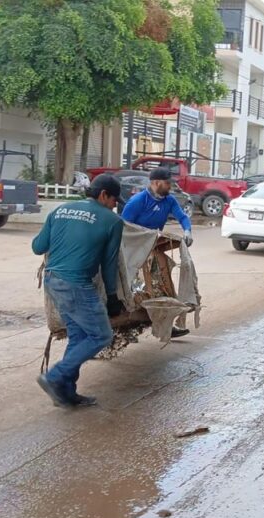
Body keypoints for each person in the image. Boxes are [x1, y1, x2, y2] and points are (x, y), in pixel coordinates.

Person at [32, 173, 124, 408]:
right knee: (101, 335)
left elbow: (38, 247)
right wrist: (113, 297)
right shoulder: (112, 221)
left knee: (79, 336)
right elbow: (109, 263)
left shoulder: (60, 210)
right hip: (77, 285)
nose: (115, 206)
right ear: (104, 195)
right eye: (115, 200)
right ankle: (54, 376)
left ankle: (65, 391)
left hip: (53, 282)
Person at [121, 167, 194, 338]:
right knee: (133, 289)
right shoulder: (137, 201)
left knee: (163, 284)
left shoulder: (169, 200)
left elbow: (182, 217)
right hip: (133, 251)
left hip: (154, 247)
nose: (170, 186)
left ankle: (167, 326)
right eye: (167, 183)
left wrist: (188, 231)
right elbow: (123, 227)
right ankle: (126, 323)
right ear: (155, 183)